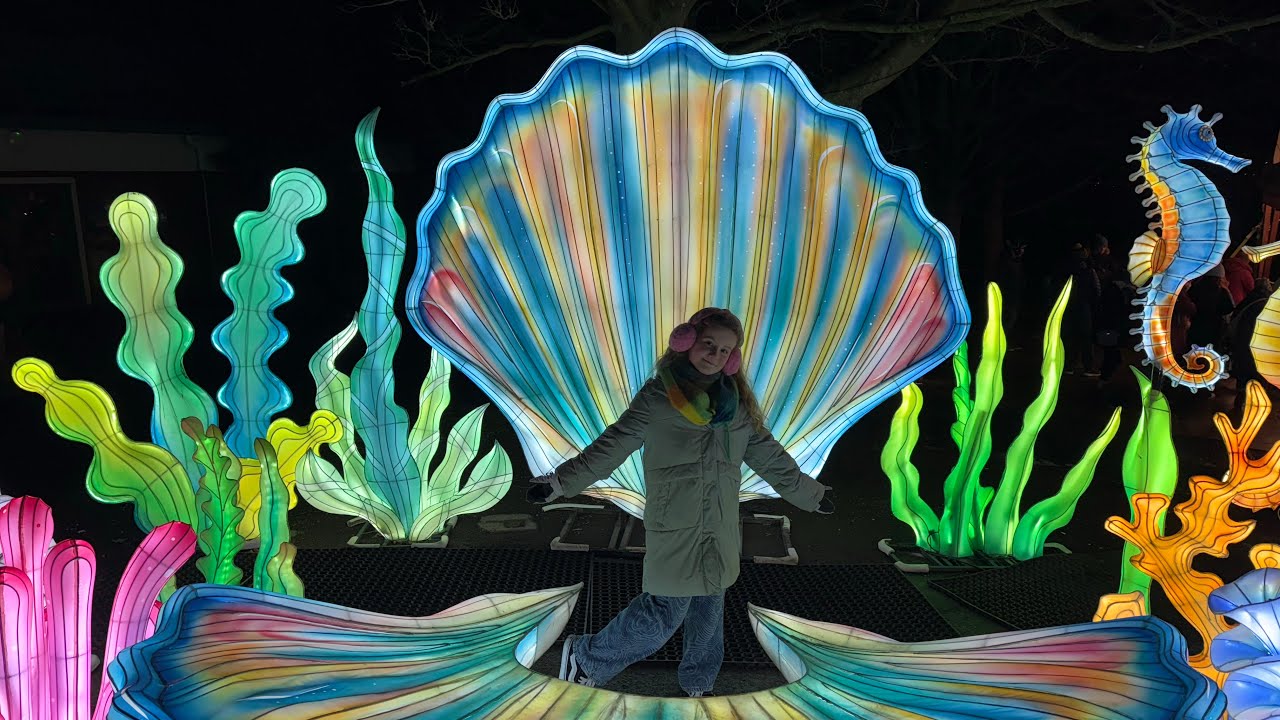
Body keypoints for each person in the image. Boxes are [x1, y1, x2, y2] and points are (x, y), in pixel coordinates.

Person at [526, 307, 834, 697]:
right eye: (709, 344)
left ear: (734, 358)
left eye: (725, 351)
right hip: (676, 523)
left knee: (709, 612)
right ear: (686, 341)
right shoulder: (658, 397)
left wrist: (812, 495)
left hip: (720, 525)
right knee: (662, 614)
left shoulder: (735, 406)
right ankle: (587, 657)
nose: (715, 355)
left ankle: (698, 684)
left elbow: (770, 458)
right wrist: (558, 483)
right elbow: (612, 446)